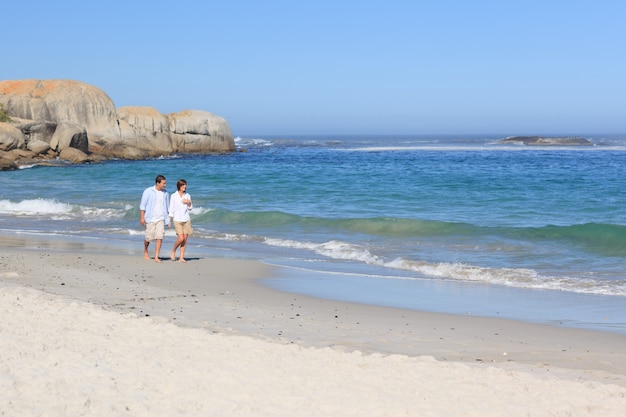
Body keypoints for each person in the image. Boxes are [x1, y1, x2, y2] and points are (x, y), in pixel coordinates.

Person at [139, 175, 171, 262]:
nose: (165, 185)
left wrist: (168, 220)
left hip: (161, 218)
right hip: (150, 218)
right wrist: (142, 218)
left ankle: (156, 257)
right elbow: (142, 206)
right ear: (158, 183)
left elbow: (167, 207)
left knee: (159, 237)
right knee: (149, 238)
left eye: (165, 183)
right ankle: (145, 250)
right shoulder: (148, 191)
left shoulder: (166, 193)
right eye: (163, 183)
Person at [169, 179, 193, 262]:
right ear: (179, 186)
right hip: (177, 220)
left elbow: (190, 208)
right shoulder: (173, 196)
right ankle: (173, 251)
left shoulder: (188, 195)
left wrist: (188, 202)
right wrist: (169, 220)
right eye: (183, 185)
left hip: (186, 219)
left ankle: (181, 257)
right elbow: (171, 208)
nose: (185, 187)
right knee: (180, 239)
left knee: (185, 240)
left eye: (185, 185)